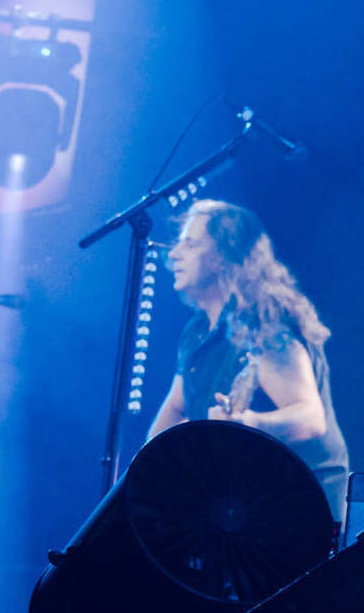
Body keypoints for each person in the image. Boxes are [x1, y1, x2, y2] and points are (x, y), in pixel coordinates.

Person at [147, 199, 352, 515]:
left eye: (189, 244)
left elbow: (310, 419)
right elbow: (175, 408)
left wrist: (246, 423)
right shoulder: (198, 330)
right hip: (243, 502)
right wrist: (149, 471)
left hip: (297, 505)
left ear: (220, 257)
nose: (174, 253)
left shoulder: (262, 322)